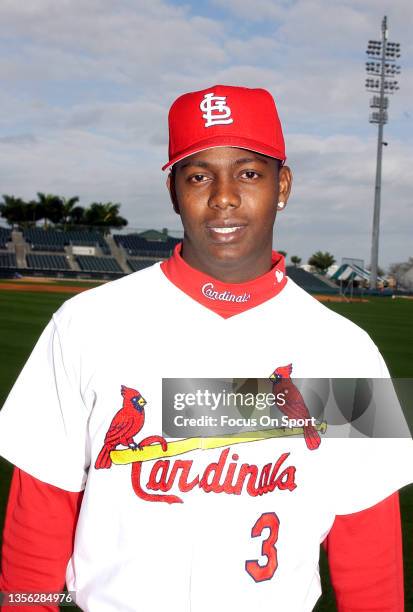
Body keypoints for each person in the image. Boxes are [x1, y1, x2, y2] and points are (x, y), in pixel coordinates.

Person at [0, 84, 412, 612]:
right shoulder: (87, 323)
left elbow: (367, 537)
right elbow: (41, 510)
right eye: (199, 176)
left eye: (248, 172)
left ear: (282, 184)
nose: (223, 197)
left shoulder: (343, 349)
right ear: (174, 191)